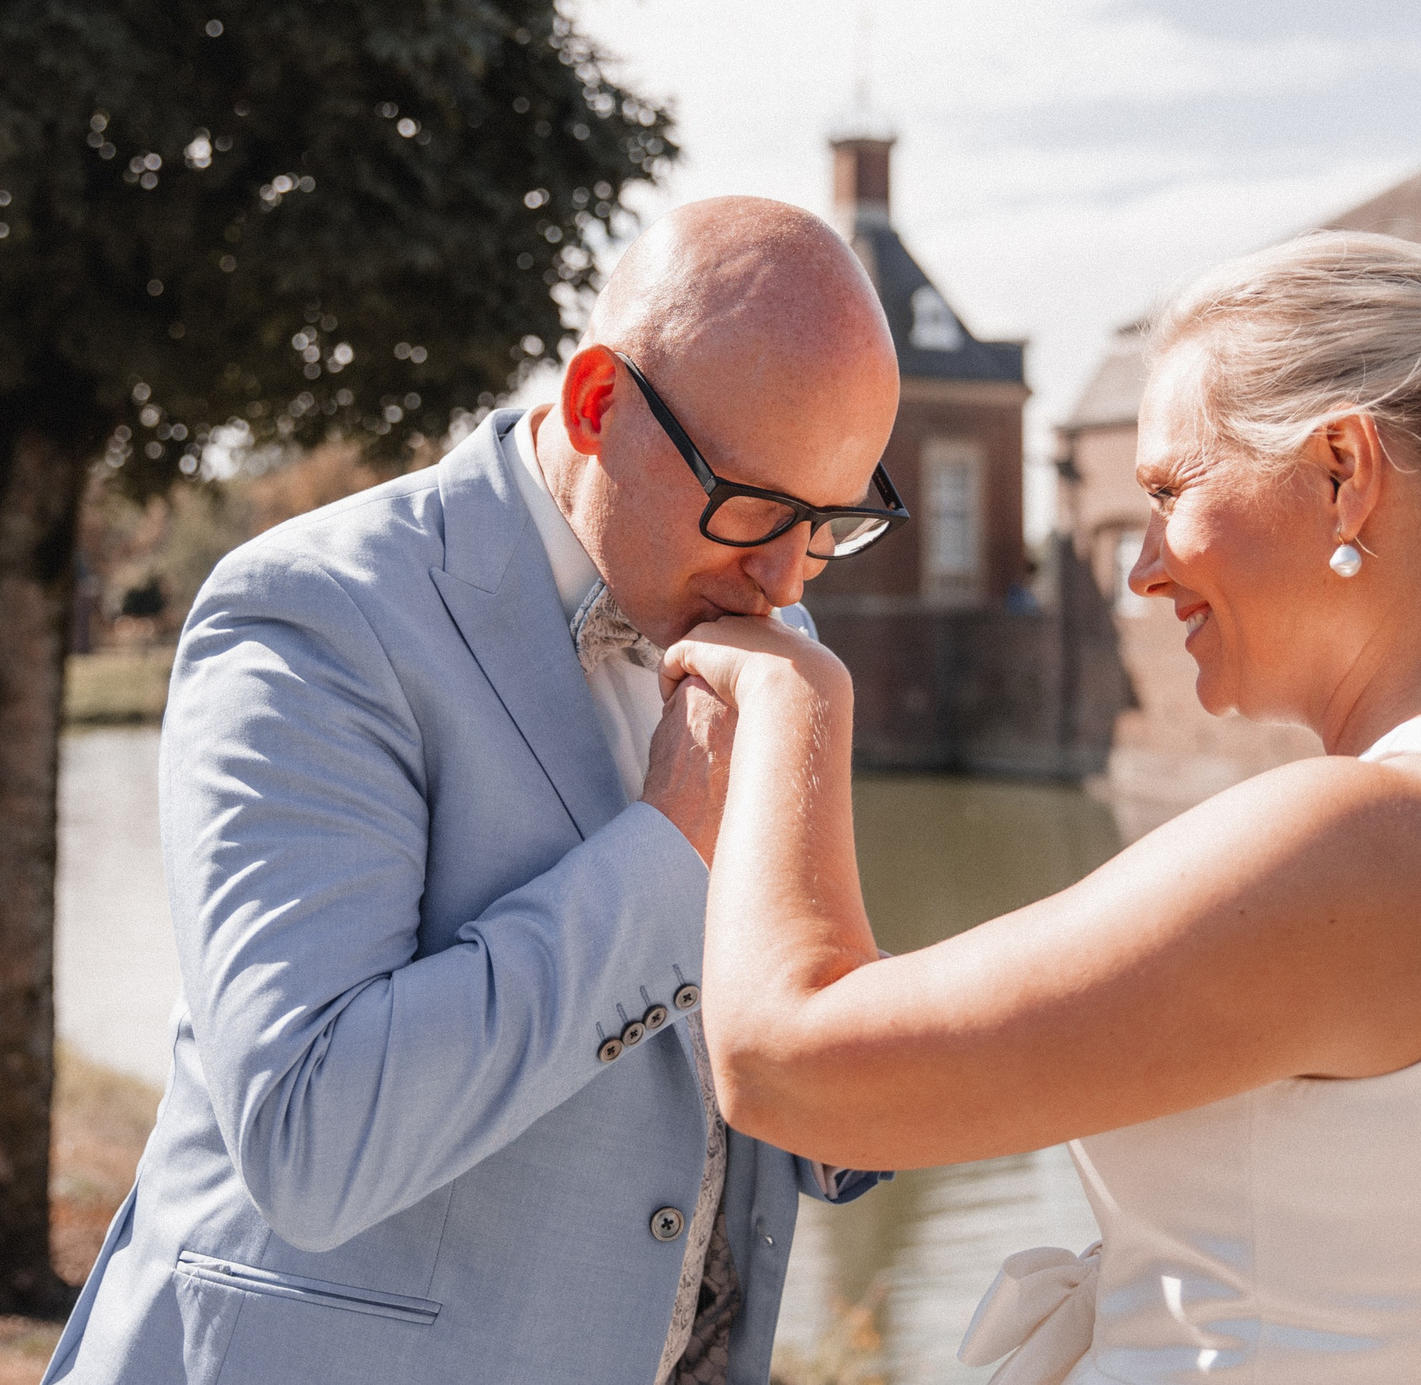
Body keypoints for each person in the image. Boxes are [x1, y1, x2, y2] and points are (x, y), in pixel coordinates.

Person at [667, 231, 1421, 1384]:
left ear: (1341, 473)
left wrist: (789, 702)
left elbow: (791, 1068)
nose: (1142, 568)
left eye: (1170, 490)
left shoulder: (1373, 842)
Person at [44, 198, 900, 1385]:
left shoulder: (766, 620)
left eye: (832, 522)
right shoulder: (313, 616)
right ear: (599, 405)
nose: (787, 574)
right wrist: (674, 842)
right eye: (754, 506)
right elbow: (311, 1138)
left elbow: (804, 1078)